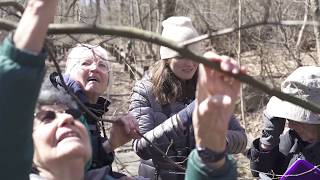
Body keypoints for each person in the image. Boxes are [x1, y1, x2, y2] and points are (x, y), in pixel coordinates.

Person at [0, 0, 240, 179]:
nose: (67, 120)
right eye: (48, 117)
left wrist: (210, 150)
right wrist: (37, 16)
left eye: (103, 65)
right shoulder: (57, 98)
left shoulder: (96, 114)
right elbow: (10, 113)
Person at [129, 16, 247, 180]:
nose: (190, 63)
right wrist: (185, 116)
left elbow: (241, 139)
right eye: (182, 56)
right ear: (167, 58)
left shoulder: (206, 86)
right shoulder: (145, 90)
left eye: (194, 56)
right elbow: (141, 147)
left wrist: (214, 140)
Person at [50, 43, 140, 177]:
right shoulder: (60, 107)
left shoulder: (90, 109)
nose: (95, 68)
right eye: (86, 63)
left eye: (102, 65)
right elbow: (70, 170)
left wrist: (111, 143)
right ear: (69, 72)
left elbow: (89, 165)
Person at [247, 66, 320, 178]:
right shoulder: (294, 139)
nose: (290, 125)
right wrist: (268, 141)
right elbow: (260, 171)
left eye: (298, 119)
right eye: (289, 118)